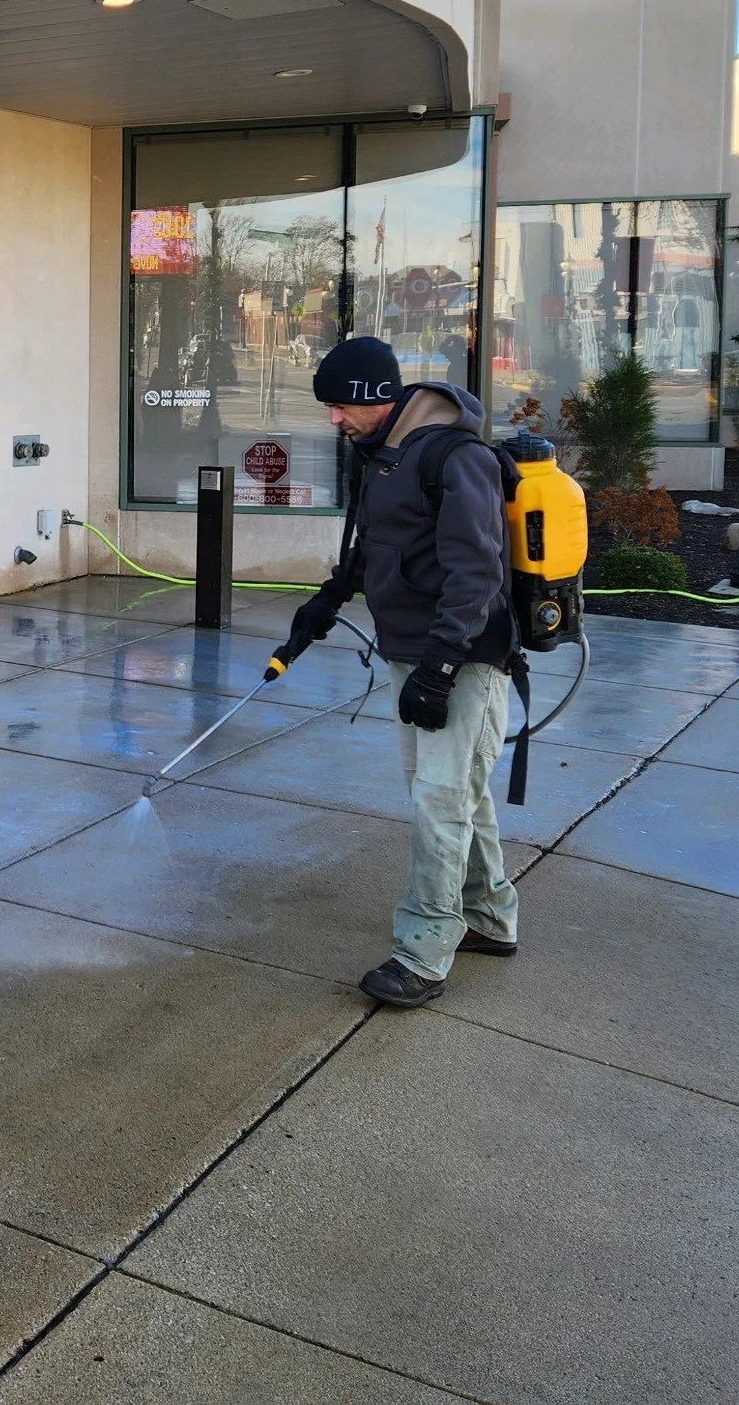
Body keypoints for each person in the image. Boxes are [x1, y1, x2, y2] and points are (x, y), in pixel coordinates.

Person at [289, 335, 519, 1007]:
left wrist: (443, 665)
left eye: (339, 406)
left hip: (463, 655)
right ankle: (490, 916)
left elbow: (476, 572)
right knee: (452, 792)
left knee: (438, 801)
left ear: (376, 398)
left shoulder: (457, 457)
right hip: (410, 649)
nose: (333, 419)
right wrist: (330, 597)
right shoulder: (382, 457)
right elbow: (376, 545)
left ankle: (422, 952)